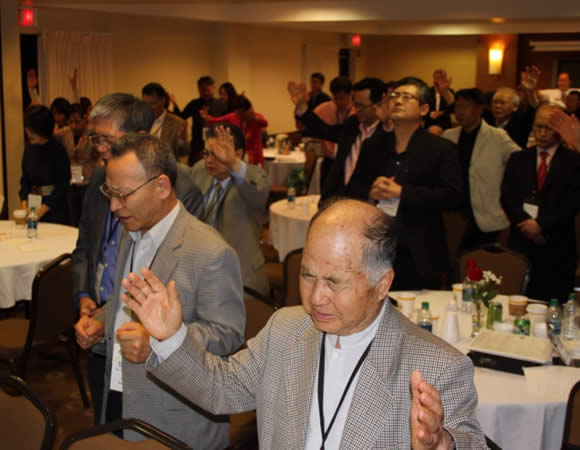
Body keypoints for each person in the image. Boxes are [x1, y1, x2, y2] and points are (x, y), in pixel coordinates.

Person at [121, 198, 487, 449]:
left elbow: (470, 442)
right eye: (308, 275)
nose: (316, 298)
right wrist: (170, 337)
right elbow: (222, 389)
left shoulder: (438, 365)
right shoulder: (287, 328)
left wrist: (442, 444)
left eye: (335, 283)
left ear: (382, 284)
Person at [74, 133, 245, 447]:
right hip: (118, 393)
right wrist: (100, 320)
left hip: (173, 415)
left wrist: (156, 343)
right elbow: (130, 301)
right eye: (109, 193)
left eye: (123, 195)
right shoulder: (130, 230)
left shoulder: (210, 252)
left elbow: (228, 335)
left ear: (162, 187)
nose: (114, 206)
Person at [71, 93, 203, 425]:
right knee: (107, 417)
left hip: (147, 335)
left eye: (109, 140)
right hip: (101, 321)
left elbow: (184, 274)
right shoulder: (100, 180)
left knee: (146, 427)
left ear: (140, 137)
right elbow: (86, 244)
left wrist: (153, 337)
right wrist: (85, 297)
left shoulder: (180, 188)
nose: (102, 148)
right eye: (96, 139)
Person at [369, 76, 462, 290]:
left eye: (406, 97)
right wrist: (371, 191)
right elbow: (352, 188)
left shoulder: (441, 149)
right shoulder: (372, 146)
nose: (397, 100)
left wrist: (403, 192)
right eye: (394, 95)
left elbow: (453, 196)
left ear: (424, 109)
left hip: (419, 250)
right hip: (376, 247)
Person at [501, 104, 580, 302]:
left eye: (549, 128)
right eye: (538, 127)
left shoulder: (573, 161)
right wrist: (526, 225)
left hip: (557, 245)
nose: (542, 133)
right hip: (521, 242)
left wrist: (541, 226)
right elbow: (508, 197)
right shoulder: (518, 158)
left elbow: (573, 202)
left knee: (553, 303)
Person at [192, 124, 270, 296]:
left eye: (216, 154)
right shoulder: (200, 171)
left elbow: (259, 192)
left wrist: (233, 163)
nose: (209, 160)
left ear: (238, 154)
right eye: (206, 153)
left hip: (240, 277)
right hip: (200, 272)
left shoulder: (254, 178)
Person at [441, 88, 520, 248]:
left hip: (486, 214)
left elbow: (521, 161)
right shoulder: (448, 135)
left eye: (465, 107)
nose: (460, 112)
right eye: (457, 107)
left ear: (479, 109)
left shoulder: (498, 136)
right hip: (453, 212)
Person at [289, 78, 389, 201]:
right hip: (339, 196)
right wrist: (301, 106)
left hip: (369, 200)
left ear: (379, 104)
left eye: (362, 106)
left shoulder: (389, 133)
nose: (357, 109)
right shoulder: (353, 124)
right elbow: (324, 130)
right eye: (355, 104)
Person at [19, 105, 71, 224]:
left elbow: (62, 185)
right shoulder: (29, 149)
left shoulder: (58, 150)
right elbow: (25, 180)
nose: (29, 133)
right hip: (33, 205)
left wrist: (42, 210)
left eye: (32, 130)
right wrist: (24, 204)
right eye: (28, 129)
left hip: (54, 209)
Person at [312, 76, 356, 191]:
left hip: (350, 161)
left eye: (342, 98)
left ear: (350, 94)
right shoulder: (323, 109)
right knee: (326, 195)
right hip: (329, 163)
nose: (338, 102)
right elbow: (306, 124)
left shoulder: (357, 111)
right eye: (335, 98)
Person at [171, 76, 228, 165]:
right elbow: (181, 117)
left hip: (217, 144)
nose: (205, 93)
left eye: (207, 89)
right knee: (195, 169)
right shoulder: (194, 104)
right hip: (197, 145)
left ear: (213, 88)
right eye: (201, 90)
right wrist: (175, 104)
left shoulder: (221, 105)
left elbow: (227, 124)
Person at [201, 95, 268, 167]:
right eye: (237, 113)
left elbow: (265, 123)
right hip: (239, 156)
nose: (239, 116)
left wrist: (254, 118)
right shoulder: (234, 116)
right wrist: (207, 117)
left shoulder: (256, 117)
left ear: (247, 110)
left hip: (255, 157)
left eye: (241, 113)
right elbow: (215, 120)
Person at [141, 82, 187, 158]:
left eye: (152, 103)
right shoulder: (139, 121)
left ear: (163, 101)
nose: (148, 108)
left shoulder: (177, 122)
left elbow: (183, 152)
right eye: (145, 104)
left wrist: (181, 140)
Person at [425, 69, 455, 135]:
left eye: (442, 77)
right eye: (438, 78)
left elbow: (453, 109)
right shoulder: (427, 92)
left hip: (445, 122)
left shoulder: (449, 92)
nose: (440, 80)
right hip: (430, 122)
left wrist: (442, 113)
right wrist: (431, 114)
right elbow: (423, 107)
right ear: (434, 79)